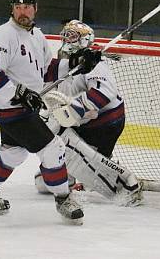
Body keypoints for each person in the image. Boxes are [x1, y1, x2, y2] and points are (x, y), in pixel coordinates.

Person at [0, 0, 100, 224]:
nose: (22, 12)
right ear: (12, 9)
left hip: (19, 108)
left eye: (27, 7)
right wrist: (20, 94)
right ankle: (64, 199)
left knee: (14, 153)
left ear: (35, 8)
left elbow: (47, 70)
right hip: (9, 109)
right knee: (53, 149)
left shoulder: (36, 36)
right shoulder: (3, 35)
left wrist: (79, 61)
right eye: (18, 7)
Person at [34, 20, 141, 206]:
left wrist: (75, 109)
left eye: (73, 35)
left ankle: (126, 185)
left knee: (57, 134)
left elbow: (104, 92)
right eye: (65, 34)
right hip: (86, 123)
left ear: (84, 40)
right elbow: (44, 75)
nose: (67, 39)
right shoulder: (69, 63)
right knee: (43, 181)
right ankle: (96, 164)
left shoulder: (94, 63)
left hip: (105, 125)